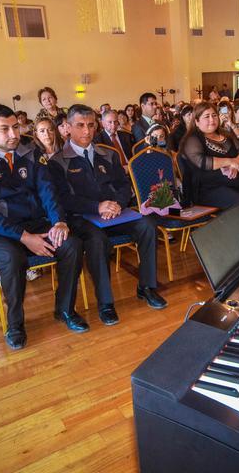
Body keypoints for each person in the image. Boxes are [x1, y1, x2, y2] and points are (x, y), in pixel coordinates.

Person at [0, 104, 85, 349]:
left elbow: (47, 191)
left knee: (71, 245)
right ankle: (15, 324)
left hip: (35, 222)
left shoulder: (30, 153)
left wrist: (59, 221)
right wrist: (24, 237)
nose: (13, 134)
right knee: (12, 258)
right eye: (4, 129)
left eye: (16, 127)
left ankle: (65, 309)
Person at [49, 104, 167, 326]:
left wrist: (117, 205)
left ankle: (147, 287)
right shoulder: (57, 162)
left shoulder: (109, 154)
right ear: (68, 127)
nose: (87, 131)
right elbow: (63, 199)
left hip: (115, 213)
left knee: (147, 225)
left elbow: (124, 186)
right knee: (97, 240)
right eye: (80, 125)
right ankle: (105, 303)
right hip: (81, 217)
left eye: (91, 125)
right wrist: (98, 207)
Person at [180, 102, 239, 218]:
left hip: (236, 182)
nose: (212, 119)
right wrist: (230, 162)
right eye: (207, 116)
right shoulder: (192, 139)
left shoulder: (226, 134)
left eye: (214, 115)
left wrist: (237, 163)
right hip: (209, 188)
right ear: (197, 121)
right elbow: (202, 162)